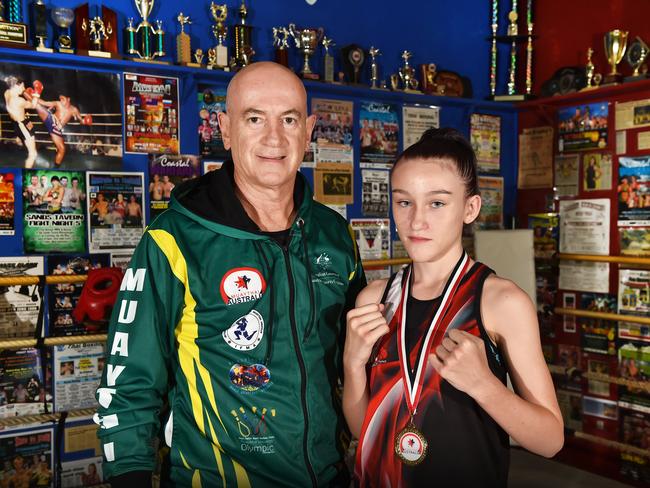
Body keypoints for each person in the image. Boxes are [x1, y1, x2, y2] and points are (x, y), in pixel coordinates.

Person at [94, 61, 365, 487]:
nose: (274, 138)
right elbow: (129, 382)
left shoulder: (334, 236)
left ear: (309, 129)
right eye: (254, 118)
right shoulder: (174, 239)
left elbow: (360, 362)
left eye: (289, 119)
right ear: (224, 129)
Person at [343, 128, 563, 487]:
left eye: (437, 203)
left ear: (470, 208)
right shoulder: (375, 300)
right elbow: (362, 429)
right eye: (404, 202)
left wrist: (485, 386)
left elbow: (550, 440)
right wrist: (352, 365)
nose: (417, 220)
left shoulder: (500, 302)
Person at [32, 95, 91, 166]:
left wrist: (84, 121)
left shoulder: (74, 109)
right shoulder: (58, 103)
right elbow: (44, 103)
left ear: (68, 99)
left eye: (63, 99)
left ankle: (56, 168)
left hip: (56, 128)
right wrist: (35, 95)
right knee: (38, 106)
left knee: (62, 149)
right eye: (61, 99)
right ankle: (28, 93)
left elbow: (81, 120)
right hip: (50, 120)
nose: (61, 101)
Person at [3, 76, 41, 168]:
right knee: (33, 155)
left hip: (17, 123)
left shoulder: (7, 93)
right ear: (16, 85)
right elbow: (33, 105)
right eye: (22, 86)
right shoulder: (19, 100)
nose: (24, 89)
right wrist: (37, 93)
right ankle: (26, 174)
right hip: (22, 125)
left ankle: (19, 140)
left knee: (22, 136)